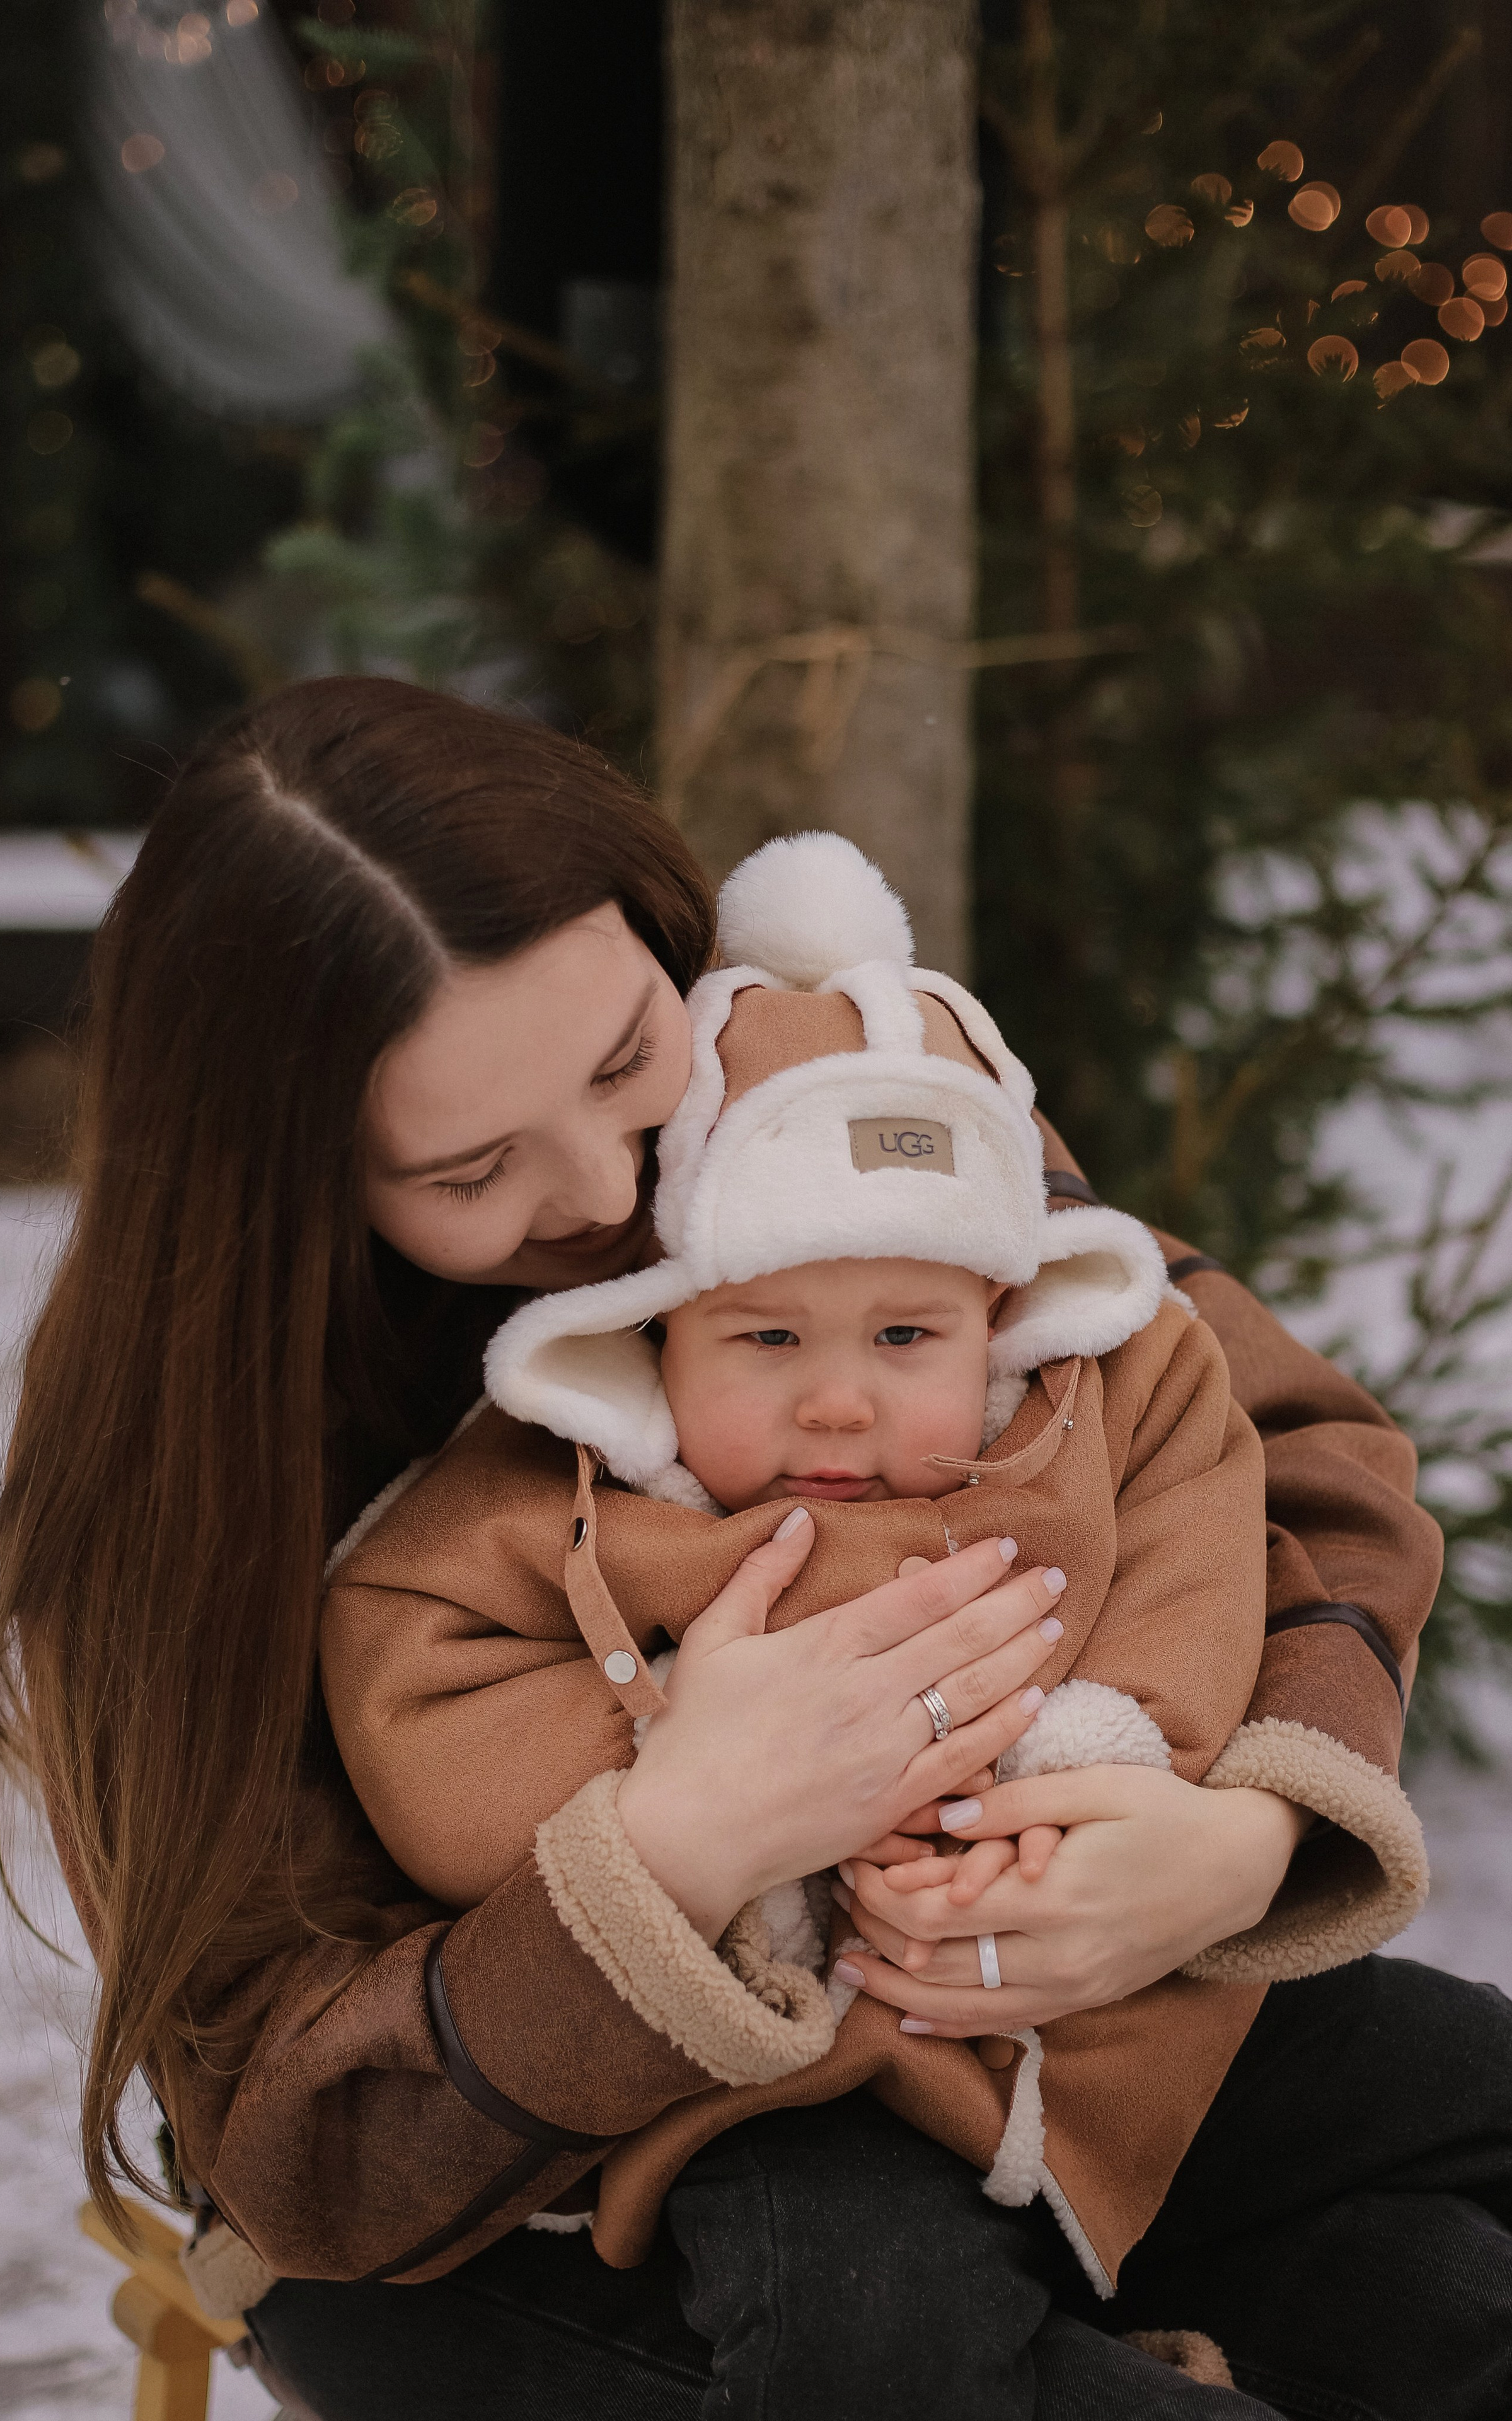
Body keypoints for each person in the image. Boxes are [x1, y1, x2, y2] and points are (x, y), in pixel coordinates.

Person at [0, 678, 1511, 2420]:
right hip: (508, 2212)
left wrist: (1240, 1837)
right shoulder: (190, 1480)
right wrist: (678, 1844)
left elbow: (1279, 1444)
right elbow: (300, 2146)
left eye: (629, 1058)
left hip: (1046, 2072)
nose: (612, 1184)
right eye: (473, 1166)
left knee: (1453, 2305)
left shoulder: (812, 1110)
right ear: (297, 1183)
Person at [318, 827, 1320, 2405]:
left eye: (624, 1066)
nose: (839, 1402)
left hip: (1106, 2014)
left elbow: (1248, 1505)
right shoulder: (571, 1493)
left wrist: (1175, 1793)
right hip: (764, 2074)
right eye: (767, 1334)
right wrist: (676, 1786)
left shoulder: (1036, 1335)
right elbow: (416, 1683)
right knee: (858, 2297)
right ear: (642, 1354)